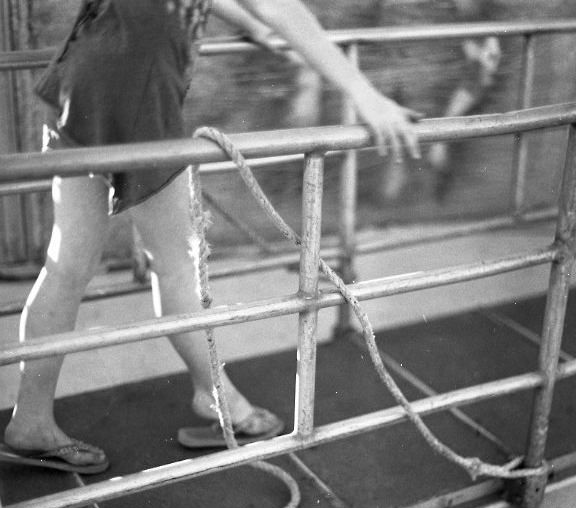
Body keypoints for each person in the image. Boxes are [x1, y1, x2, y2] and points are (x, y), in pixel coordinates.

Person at [0, 0, 421, 474]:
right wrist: (364, 92)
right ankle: (220, 399)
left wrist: (247, 23)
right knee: (178, 263)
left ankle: (30, 420)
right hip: (134, 87)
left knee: (68, 264)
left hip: (88, 71)